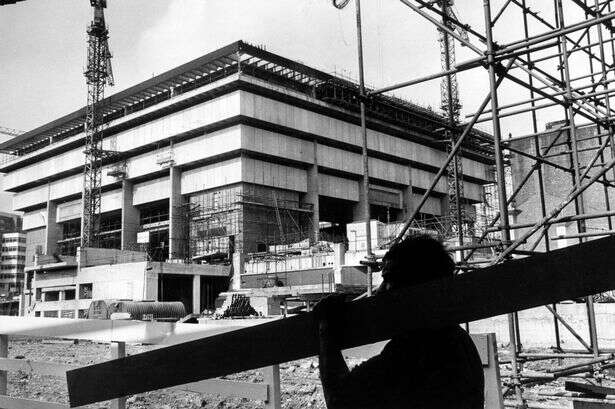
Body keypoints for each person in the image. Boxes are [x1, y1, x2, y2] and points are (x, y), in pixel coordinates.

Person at [314, 234, 484, 409]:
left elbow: (340, 401)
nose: (379, 292)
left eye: (389, 280)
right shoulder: (457, 340)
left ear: (415, 287)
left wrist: (326, 330)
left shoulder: (416, 351)